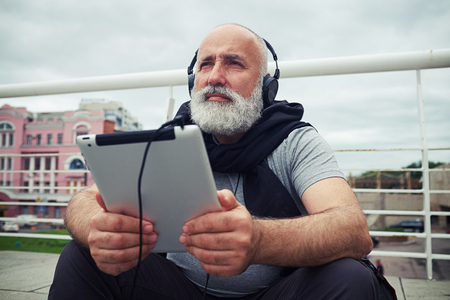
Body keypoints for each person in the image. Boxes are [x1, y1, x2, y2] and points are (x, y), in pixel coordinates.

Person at [49, 23, 381, 299]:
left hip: (274, 294)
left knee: (350, 276)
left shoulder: (295, 141)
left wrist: (259, 241)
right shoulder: (168, 138)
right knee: (80, 256)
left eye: (233, 63)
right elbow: (84, 201)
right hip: (177, 290)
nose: (214, 77)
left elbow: (352, 229)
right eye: (205, 64)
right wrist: (96, 227)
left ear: (267, 87)